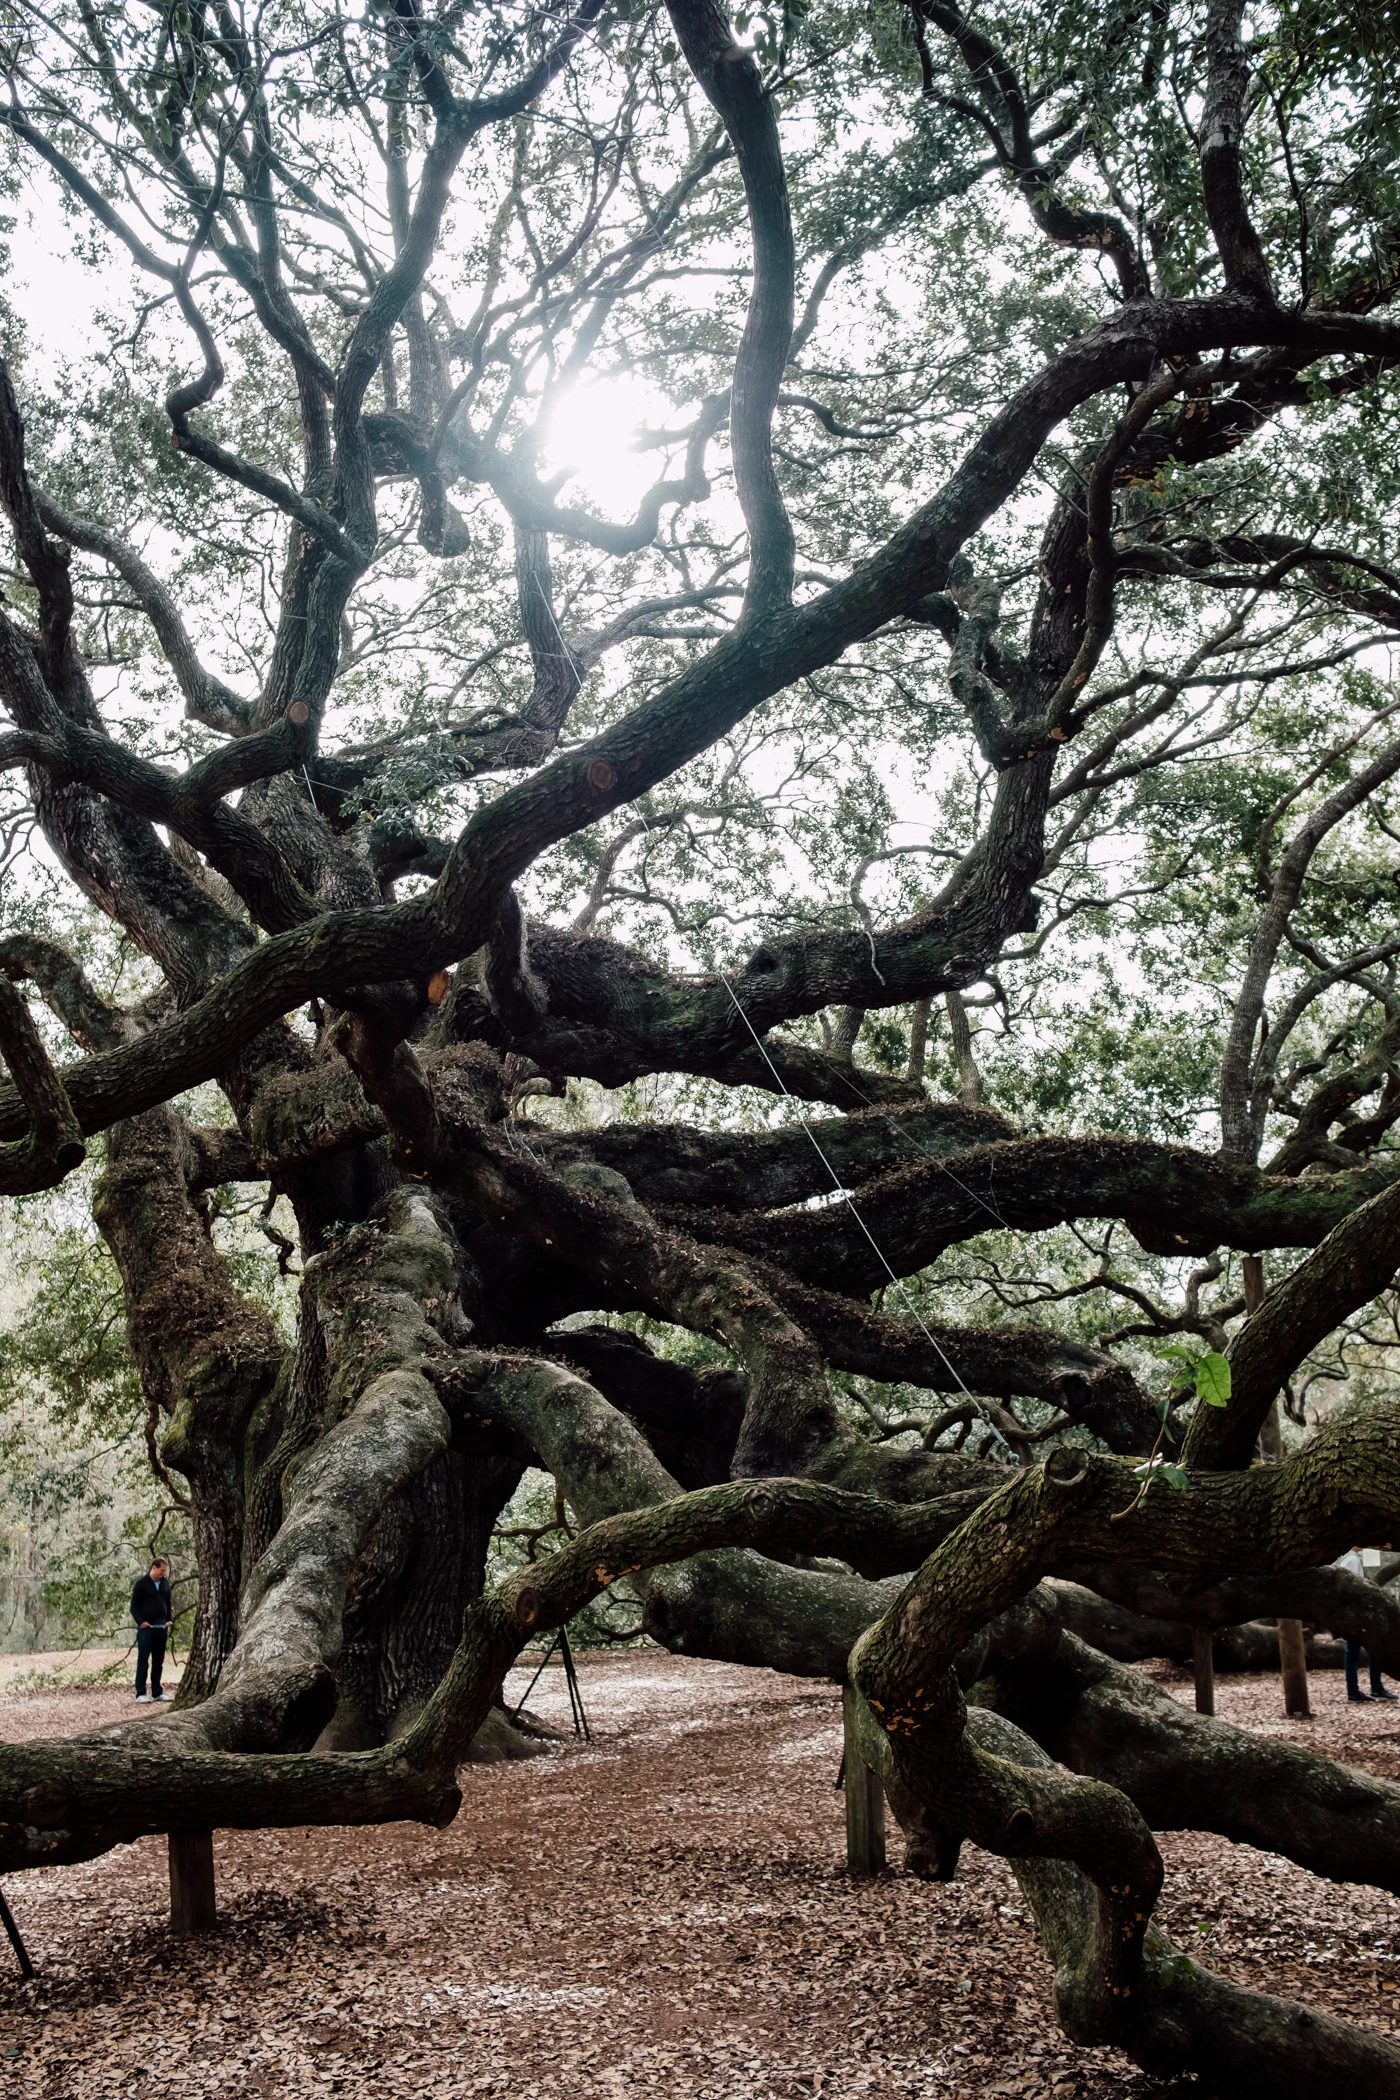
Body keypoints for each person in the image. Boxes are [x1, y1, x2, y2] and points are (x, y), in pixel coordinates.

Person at [1335, 1546, 1397, 1704]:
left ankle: (1359, 1690)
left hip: (1350, 1614)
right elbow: (1353, 1588)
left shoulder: (1342, 1558)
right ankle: (1369, 1689)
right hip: (1356, 1615)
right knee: (1371, 1648)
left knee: (1354, 1653)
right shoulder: (1353, 1560)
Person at [130, 1557, 174, 1704]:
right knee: (143, 1660)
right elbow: (133, 1607)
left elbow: (167, 1603)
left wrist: (169, 1619)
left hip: (161, 1628)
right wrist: (141, 1622)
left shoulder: (165, 1583)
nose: (163, 1573)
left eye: (165, 1571)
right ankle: (140, 1692)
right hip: (146, 1629)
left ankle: (157, 1692)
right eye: (161, 1570)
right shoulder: (141, 1584)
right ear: (154, 1568)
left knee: (158, 1661)